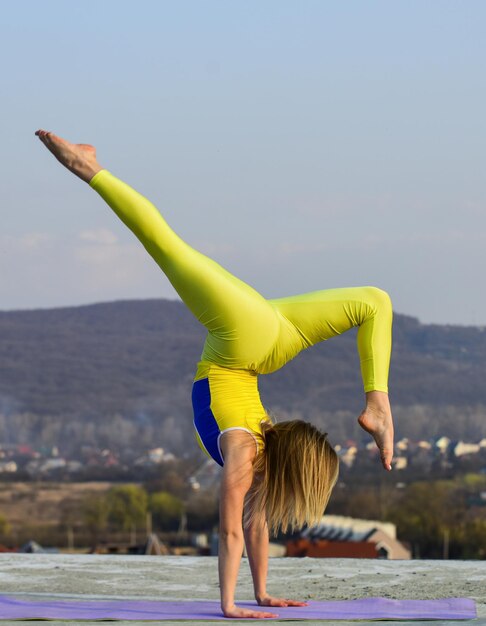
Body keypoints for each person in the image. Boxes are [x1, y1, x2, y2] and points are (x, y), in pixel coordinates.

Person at [35, 130, 395, 619]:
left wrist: (263, 593)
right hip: (243, 341)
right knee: (167, 246)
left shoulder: (259, 459)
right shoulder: (246, 453)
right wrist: (229, 605)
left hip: (268, 342)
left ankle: (378, 402)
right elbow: (229, 531)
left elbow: (254, 527)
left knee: (375, 301)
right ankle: (85, 166)